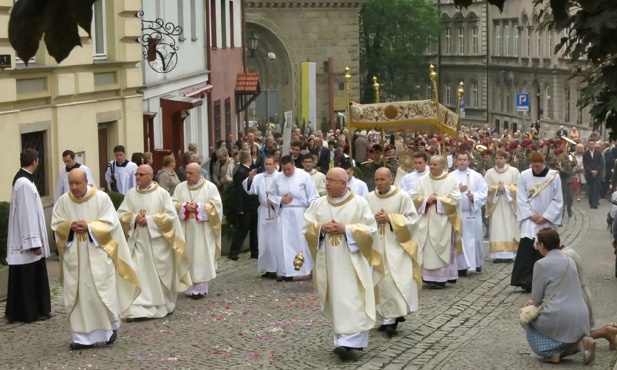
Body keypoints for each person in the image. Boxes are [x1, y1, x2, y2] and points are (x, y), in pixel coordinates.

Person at [51, 169, 140, 350]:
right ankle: (81, 337)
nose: (74, 187)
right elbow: (56, 224)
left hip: (98, 256)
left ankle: (108, 331)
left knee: (100, 294)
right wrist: (69, 226)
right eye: (71, 184)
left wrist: (90, 227)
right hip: (74, 260)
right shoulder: (63, 201)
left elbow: (111, 224)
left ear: (86, 182)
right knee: (78, 296)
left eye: (78, 183)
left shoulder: (101, 199)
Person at [302, 167, 378, 361]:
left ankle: (354, 343)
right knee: (337, 298)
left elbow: (370, 230)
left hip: (353, 262)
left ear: (343, 183)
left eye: (330, 180)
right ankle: (341, 341)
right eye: (326, 179)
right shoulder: (318, 204)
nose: (326, 183)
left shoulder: (360, 203)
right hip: (329, 261)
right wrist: (321, 228)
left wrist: (347, 229)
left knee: (354, 299)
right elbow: (306, 227)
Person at [117, 165, 191, 320]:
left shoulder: (162, 194)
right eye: (136, 174)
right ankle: (139, 306)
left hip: (158, 244)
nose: (137, 177)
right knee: (139, 273)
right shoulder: (130, 194)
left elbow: (171, 216)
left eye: (141, 174)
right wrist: (134, 218)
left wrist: (149, 220)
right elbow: (121, 214)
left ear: (151, 176)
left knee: (157, 276)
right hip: (138, 242)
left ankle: (162, 304)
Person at [521, 228, 595, 365]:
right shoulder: (570, 260)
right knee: (567, 335)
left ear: (542, 245)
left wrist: (531, 303)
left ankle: (550, 353)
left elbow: (537, 299)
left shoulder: (541, 264)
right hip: (581, 315)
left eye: (538, 245)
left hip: (559, 316)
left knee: (525, 318)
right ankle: (581, 343)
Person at [367, 168, 419, 338]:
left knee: (394, 281)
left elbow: (412, 220)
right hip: (376, 246)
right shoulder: (369, 197)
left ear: (392, 179)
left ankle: (394, 318)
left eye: (383, 179)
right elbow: (363, 220)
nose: (379, 183)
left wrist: (390, 218)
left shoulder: (402, 197)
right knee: (379, 282)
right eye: (376, 179)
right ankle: (385, 319)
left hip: (397, 246)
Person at [5, 149, 52, 323]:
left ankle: (34, 310)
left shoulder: (24, 181)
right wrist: (33, 242)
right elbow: (27, 215)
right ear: (35, 162)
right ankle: (28, 312)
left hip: (28, 241)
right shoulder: (24, 183)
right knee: (28, 279)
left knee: (30, 277)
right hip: (27, 243)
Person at [511, 151, 563, 292]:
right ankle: (524, 280)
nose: (535, 169)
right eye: (533, 166)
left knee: (544, 250)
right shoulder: (524, 175)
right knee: (527, 249)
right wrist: (529, 215)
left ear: (543, 162)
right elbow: (521, 197)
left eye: (538, 166)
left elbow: (557, 199)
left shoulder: (553, 177)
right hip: (530, 220)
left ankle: (544, 281)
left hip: (546, 221)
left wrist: (546, 216)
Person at [410, 155, 462, 289]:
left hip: (442, 222)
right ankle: (426, 277)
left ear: (443, 166)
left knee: (440, 248)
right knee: (426, 249)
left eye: (434, 165)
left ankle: (441, 278)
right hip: (426, 220)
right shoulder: (422, 180)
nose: (431, 167)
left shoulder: (450, 181)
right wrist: (426, 199)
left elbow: (455, 199)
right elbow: (414, 197)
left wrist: (438, 200)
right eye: (431, 164)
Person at [172, 163, 222, 299]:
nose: (187, 176)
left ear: (199, 174)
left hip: (203, 231)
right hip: (185, 230)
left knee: (201, 257)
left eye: (191, 173)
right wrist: (184, 206)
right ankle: (188, 285)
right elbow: (172, 204)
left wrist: (200, 207)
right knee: (188, 255)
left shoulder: (210, 188)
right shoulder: (180, 188)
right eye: (186, 173)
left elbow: (217, 207)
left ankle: (199, 288)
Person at [268, 155, 319, 281]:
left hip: (301, 212)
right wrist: (281, 200)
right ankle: (286, 271)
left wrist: (310, 213)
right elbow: (271, 195)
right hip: (285, 213)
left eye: (289, 169)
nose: (286, 172)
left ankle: (305, 270)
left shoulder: (304, 176)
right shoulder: (277, 178)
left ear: (294, 165)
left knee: (301, 241)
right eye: (284, 170)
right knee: (284, 242)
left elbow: (313, 196)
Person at [449, 152, 488, 274]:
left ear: (468, 161)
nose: (461, 161)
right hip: (457, 214)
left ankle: (476, 263)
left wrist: (474, 196)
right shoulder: (450, 176)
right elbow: (445, 193)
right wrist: (457, 190)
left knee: (475, 239)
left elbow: (483, 191)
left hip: (472, 213)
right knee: (460, 240)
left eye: (464, 159)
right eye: (459, 159)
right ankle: (461, 266)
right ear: (456, 161)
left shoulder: (476, 176)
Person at [243, 155, 280, 278]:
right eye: (266, 164)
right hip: (264, 211)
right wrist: (249, 178)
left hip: (276, 212)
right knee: (264, 241)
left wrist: (275, 201)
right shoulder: (260, 177)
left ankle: (276, 268)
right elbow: (250, 190)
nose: (268, 166)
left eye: (270, 164)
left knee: (275, 241)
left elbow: (285, 194)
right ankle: (267, 268)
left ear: (275, 164)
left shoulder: (280, 177)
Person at [484, 150, 520, 262]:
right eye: (497, 158)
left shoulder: (514, 171)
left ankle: (510, 254)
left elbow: (518, 187)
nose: (498, 160)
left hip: (509, 204)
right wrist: (496, 189)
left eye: (501, 158)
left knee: (510, 227)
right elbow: (485, 188)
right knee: (496, 228)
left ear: (506, 159)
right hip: (496, 204)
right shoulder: (490, 173)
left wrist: (508, 189)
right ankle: (497, 255)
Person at [229, 151, 259, 261]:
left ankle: (254, 251)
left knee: (254, 230)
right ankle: (234, 252)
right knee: (242, 230)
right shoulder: (242, 172)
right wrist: (240, 208)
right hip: (246, 206)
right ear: (249, 159)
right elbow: (239, 191)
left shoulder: (242, 169)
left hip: (252, 206)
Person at [582, 140, 604, 209]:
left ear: (594, 145)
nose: (591, 145)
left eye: (592, 144)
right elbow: (585, 164)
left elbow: (600, 163)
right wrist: (591, 171)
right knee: (591, 188)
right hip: (589, 173)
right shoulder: (585, 154)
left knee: (596, 188)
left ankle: (595, 203)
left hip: (597, 173)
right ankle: (591, 202)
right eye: (590, 144)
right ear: (588, 145)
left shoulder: (598, 153)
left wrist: (596, 171)